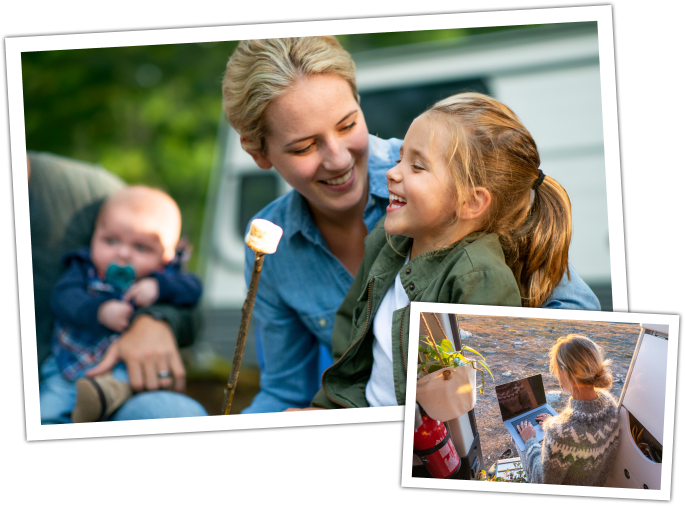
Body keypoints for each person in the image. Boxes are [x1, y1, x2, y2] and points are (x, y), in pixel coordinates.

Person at [222, 36, 600, 414]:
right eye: (304, 146)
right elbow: (286, 391)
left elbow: (576, 318)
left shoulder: (446, 183)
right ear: (258, 152)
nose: (338, 159)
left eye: (348, 124)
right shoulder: (274, 243)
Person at [311, 92, 575, 408]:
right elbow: (349, 336)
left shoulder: (480, 277)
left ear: (472, 202)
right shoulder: (387, 239)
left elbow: (478, 397)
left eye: (417, 166)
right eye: (399, 159)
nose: (392, 174)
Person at [29, 151, 208, 423]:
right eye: (110, 241)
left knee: (155, 398)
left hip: (124, 367)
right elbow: (64, 299)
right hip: (69, 365)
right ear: (94, 236)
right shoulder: (83, 267)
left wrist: (159, 291)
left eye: (140, 247)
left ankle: (105, 396)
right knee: (49, 411)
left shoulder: (161, 274)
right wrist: (99, 310)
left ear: (167, 255)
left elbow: (192, 291)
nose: (122, 254)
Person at [516, 334, 619, 485]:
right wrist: (555, 423)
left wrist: (531, 441)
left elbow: (541, 482)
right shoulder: (610, 404)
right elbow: (583, 430)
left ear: (564, 372)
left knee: (519, 439)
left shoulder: (559, 432)